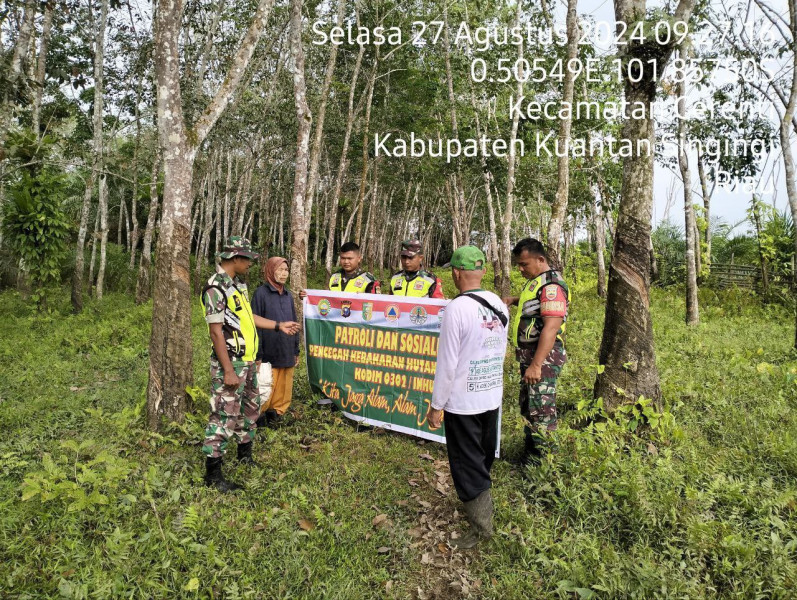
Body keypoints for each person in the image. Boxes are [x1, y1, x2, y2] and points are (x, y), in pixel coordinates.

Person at [200, 236, 300, 493]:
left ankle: (245, 455)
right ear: (235, 258)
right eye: (248, 260)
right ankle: (213, 474)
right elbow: (216, 333)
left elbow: (249, 317)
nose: (250, 265)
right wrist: (229, 370)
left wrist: (278, 325)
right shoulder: (215, 289)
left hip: (248, 361)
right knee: (224, 415)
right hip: (231, 363)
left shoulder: (237, 285)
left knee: (249, 411)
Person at [427, 246, 509, 549]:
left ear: (456, 273)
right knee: (482, 455)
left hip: (463, 402)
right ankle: (481, 501)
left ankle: (481, 527)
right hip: (490, 396)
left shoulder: (456, 309)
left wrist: (437, 407)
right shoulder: (498, 303)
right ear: (483, 271)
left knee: (466, 463)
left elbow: (447, 364)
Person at [502, 238, 569, 466]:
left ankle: (546, 466)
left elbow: (551, 328)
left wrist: (537, 364)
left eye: (524, 264)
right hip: (530, 357)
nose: (520, 269)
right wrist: (513, 299)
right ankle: (531, 459)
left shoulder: (552, 287)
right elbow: (533, 301)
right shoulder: (537, 282)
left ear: (541, 260)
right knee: (529, 407)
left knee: (541, 413)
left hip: (544, 359)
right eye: (518, 265)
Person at [252, 257, 300, 427]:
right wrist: (257, 353)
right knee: (267, 384)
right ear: (271, 271)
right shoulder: (261, 293)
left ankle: (277, 414)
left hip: (286, 347)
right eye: (279, 270)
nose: (283, 273)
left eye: (286, 270)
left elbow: (293, 322)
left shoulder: (288, 295)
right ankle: (261, 415)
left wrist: (296, 350)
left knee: (284, 384)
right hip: (268, 349)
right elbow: (254, 324)